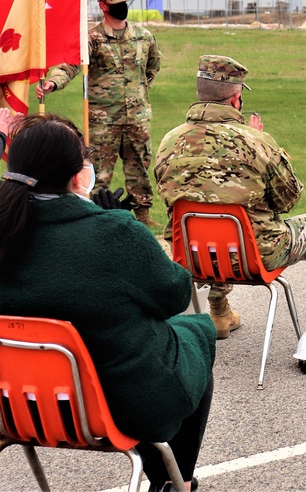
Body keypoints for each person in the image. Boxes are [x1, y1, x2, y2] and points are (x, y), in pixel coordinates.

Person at [0, 115, 215, 492]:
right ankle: (172, 483)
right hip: (109, 409)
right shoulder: (114, 232)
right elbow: (175, 294)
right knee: (197, 331)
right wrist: (111, 218)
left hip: (15, 407)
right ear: (77, 175)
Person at [154, 55, 306, 345]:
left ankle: (219, 314)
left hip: (192, 256)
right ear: (236, 99)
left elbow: (172, 200)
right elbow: (288, 199)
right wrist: (266, 145)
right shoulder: (255, 141)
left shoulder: (168, 142)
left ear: (200, 94)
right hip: (256, 255)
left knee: (209, 221)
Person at [35, 0, 162, 227]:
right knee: (99, 170)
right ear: (103, 6)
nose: (123, 7)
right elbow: (70, 65)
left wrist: (141, 91)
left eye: (124, 2)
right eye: (117, 4)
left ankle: (143, 215)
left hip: (137, 117)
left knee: (140, 167)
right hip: (103, 119)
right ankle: (94, 215)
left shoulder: (143, 37)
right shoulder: (91, 39)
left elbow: (153, 66)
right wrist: (53, 82)